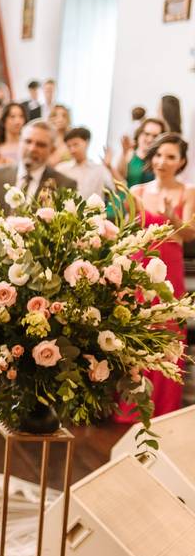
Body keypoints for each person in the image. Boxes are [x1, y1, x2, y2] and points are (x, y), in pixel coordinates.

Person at [117, 132, 194, 422]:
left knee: (168, 330)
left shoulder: (188, 191)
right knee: (136, 328)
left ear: (181, 161)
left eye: (170, 156)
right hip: (141, 264)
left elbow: (189, 234)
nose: (163, 161)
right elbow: (129, 230)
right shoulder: (137, 191)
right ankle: (130, 405)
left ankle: (163, 409)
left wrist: (174, 219)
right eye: (159, 155)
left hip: (170, 265)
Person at [0, 119, 77, 211]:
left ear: (52, 150)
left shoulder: (64, 185)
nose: (32, 149)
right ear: (20, 142)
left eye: (40, 145)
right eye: (28, 141)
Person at [56, 127, 115, 199]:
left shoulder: (100, 170)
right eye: (69, 146)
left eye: (75, 144)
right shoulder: (61, 169)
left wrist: (109, 166)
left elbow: (115, 190)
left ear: (87, 142)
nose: (72, 150)